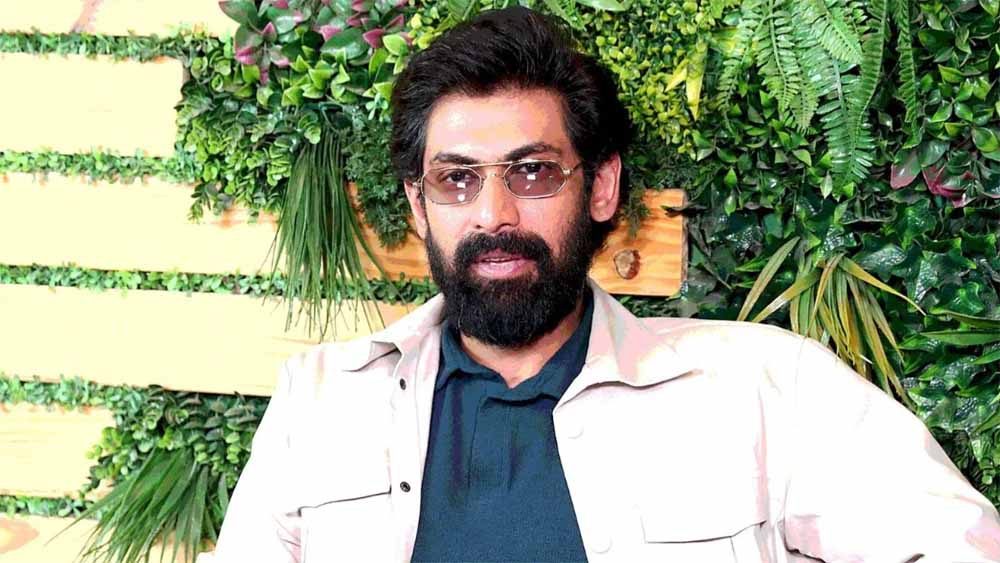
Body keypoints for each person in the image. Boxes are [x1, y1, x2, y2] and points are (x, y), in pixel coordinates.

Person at [202, 6, 1000, 562]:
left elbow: (961, 542)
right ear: (419, 205)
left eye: (532, 171)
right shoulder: (322, 402)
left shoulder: (761, 386)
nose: (494, 213)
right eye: (456, 179)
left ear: (603, 186)